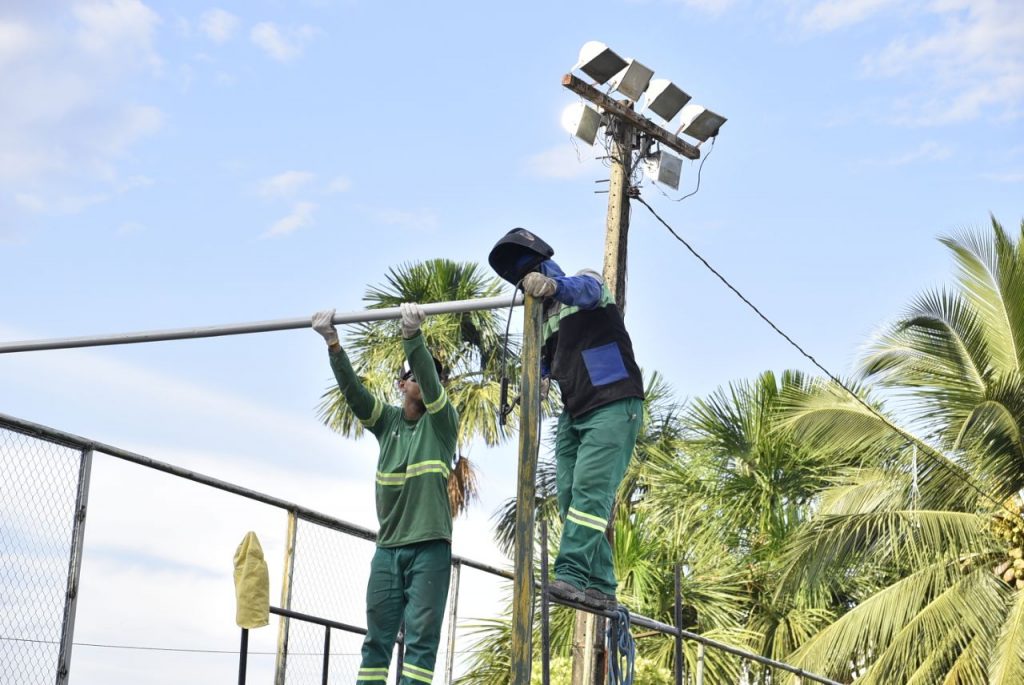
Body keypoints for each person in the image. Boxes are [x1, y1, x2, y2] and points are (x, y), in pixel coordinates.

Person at [488, 228, 644, 611]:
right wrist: (537, 379)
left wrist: (554, 287)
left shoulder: (585, 286)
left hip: (613, 403)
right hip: (576, 411)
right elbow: (544, 361)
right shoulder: (542, 321)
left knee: (590, 492)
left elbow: (584, 290)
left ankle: (572, 575)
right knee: (571, 496)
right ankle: (601, 584)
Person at [312, 303, 458, 685]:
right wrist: (333, 346)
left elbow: (427, 372)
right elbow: (355, 394)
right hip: (389, 548)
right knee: (376, 640)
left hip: (429, 546)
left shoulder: (442, 423)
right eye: (418, 377)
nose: (427, 382)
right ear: (401, 384)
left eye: (433, 379)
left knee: (421, 642)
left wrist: (412, 337)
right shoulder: (387, 422)